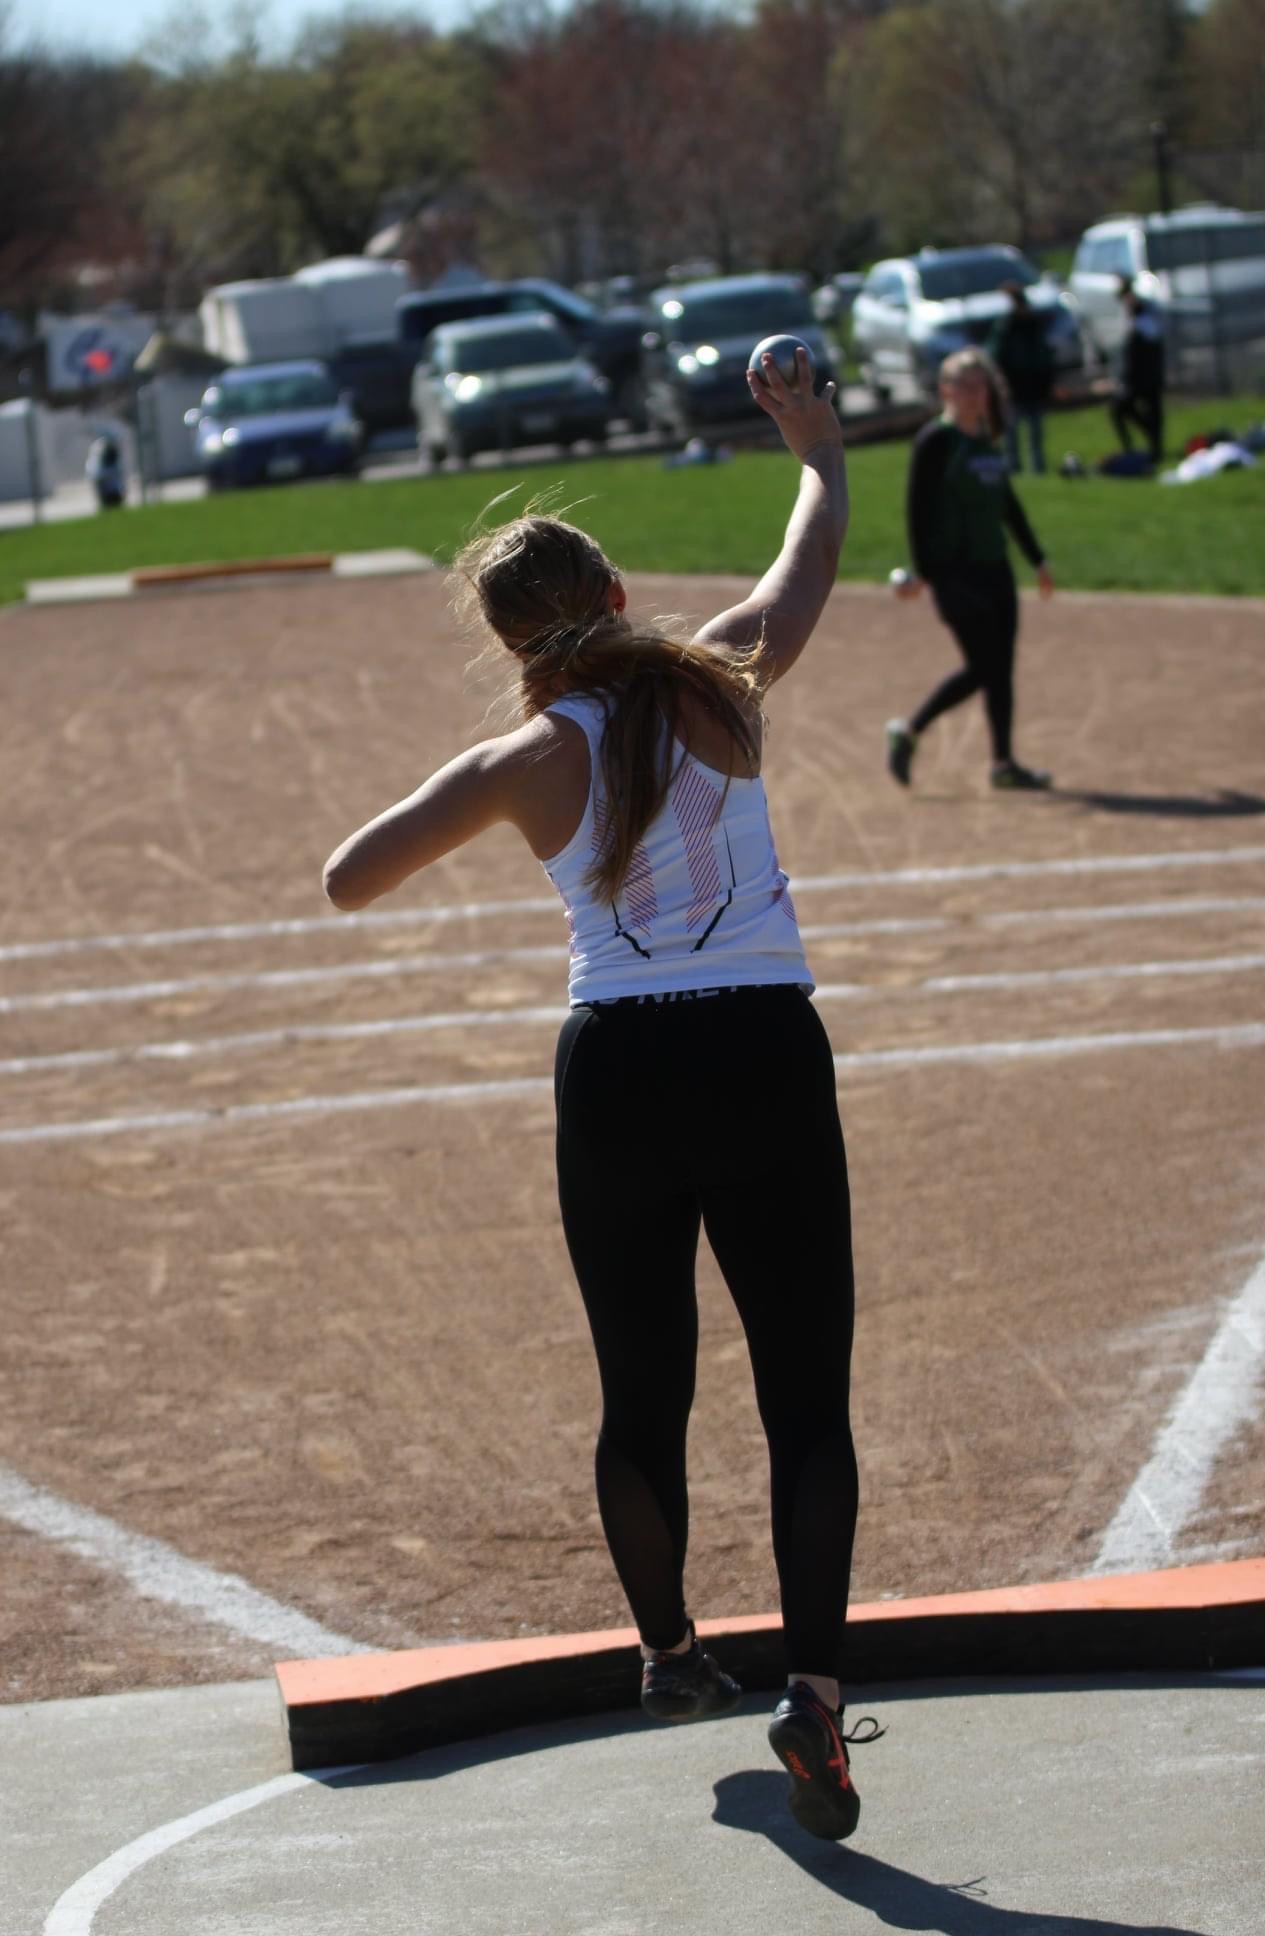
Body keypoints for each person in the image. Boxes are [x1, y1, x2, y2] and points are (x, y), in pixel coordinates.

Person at [322, 345, 882, 1842]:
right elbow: (812, 538)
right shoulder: (724, 678)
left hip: (617, 1072)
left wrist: (498, 763)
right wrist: (814, 442)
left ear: (512, 641)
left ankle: (671, 1655)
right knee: (804, 1400)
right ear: (622, 595)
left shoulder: (522, 758)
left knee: (644, 1388)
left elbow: (348, 878)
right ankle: (814, 1699)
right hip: (763, 1048)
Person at [885, 346, 1056, 793]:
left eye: (983, 385)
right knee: (984, 666)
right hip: (953, 573)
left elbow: (1007, 503)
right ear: (947, 390)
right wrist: (924, 571)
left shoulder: (984, 440)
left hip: (995, 568)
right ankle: (909, 730)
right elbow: (917, 510)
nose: (978, 394)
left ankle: (1003, 763)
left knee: (1001, 668)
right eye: (968, 385)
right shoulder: (936, 441)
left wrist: (1036, 558)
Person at [986, 281, 1053, 475]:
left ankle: (1037, 466)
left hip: (1033, 384)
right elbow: (996, 354)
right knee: (1012, 429)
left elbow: (1043, 356)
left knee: (1035, 430)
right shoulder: (1006, 327)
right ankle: (1013, 465)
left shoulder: (1033, 326)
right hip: (1014, 384)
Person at [1110, 275, 1165, 464]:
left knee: (1152, 412)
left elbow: (1152, 338)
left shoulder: (1144, 314)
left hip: (1146, 376)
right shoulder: (1129, 314)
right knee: (1120, 410)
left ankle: (1156, 449)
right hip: (1134, 377)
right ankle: (1133, 446)